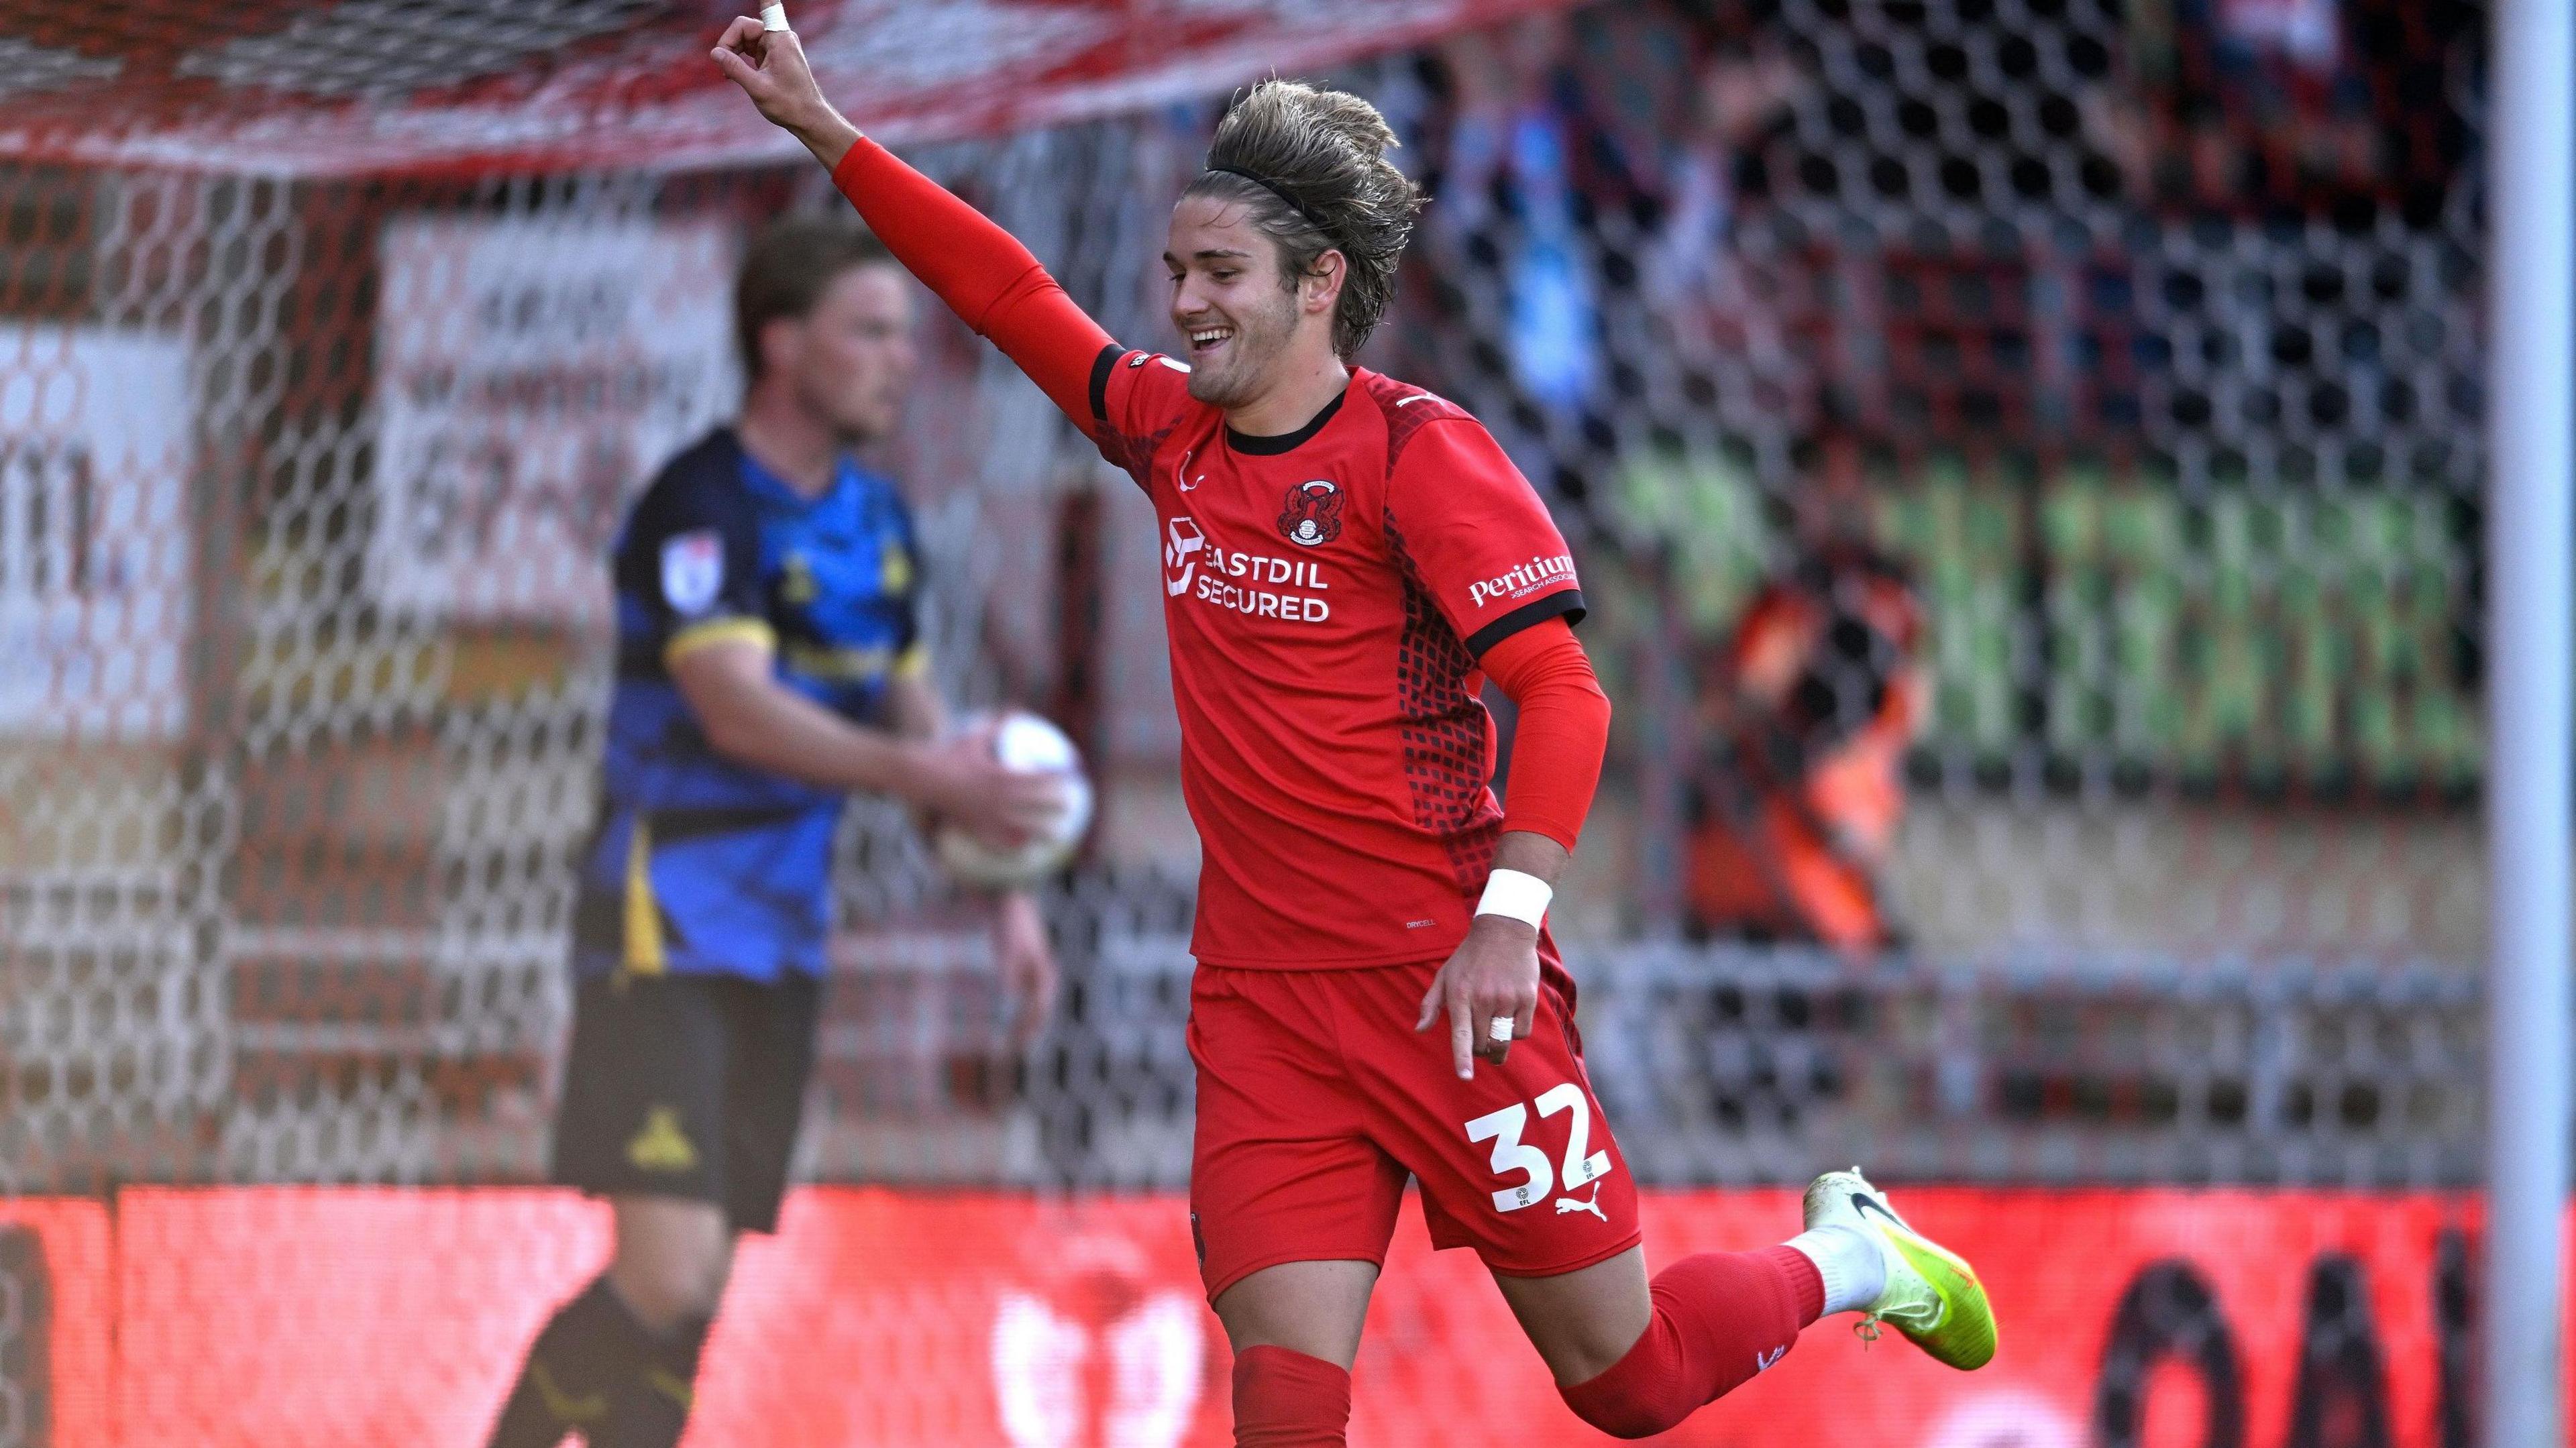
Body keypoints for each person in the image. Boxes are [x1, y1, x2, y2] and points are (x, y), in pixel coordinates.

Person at [714, 21, 1999, 1443]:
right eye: (1175, 274)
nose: (1185, 304)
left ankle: (1853, 1251)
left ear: (1320, 283)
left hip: (1449, 985)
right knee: (1284, 1401)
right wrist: (827, 131)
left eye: (1220, 276)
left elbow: (1568, 695)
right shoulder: (1164, 431)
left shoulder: (1416, 455)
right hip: (1264, 1005)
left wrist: (1511, 915)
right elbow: (1004, 289)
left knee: (1626, 1381)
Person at [484, 217, 1066, 1448]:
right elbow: (734, 707)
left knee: (695, 1299)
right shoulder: (700, 503)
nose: (900, 359)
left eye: (906, 335)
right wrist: (926, 769)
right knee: (664, 1272)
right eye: (869, 330)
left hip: (786, 943)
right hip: (665, 923)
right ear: (780, 342)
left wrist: (1001, 886)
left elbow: (925, 725)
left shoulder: (883, 524)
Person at [1686, 437, 1924, 953]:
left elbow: (1753, 701)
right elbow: (1732, 706)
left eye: (1848, 481)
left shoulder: (1883, 601)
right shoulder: (1786, 597)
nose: (1836, 497)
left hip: (1817, 879)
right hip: (1754, 876)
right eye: (1821, 482)